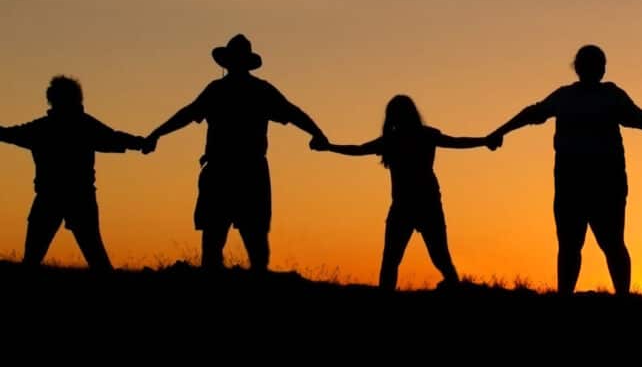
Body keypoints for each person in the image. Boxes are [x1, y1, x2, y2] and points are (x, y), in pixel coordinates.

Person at [488, 45, 642, 296]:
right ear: (586, 68)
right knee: (586, 244)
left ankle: (600, 297)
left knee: (601, 243)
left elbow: (637, 117)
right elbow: (532, 113)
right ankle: (582, 297)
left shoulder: (589, 96)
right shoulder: (575, 97)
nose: (595, 69)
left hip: (598, 182)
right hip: (582, 182)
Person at [143, 34, 328, 271]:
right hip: (246, 172)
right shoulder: (258, 90)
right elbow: (293, 113)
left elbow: (187, 114)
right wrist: (317, 134)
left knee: (221, 239)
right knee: (250, 241)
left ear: (227, 62)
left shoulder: (220, 90)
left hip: (225, 171)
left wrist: (155, 134)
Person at [312, 95, 497, 290]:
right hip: (415, 205)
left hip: (418, 205)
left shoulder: (403, 139)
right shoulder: (409, 138)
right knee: (427, 257)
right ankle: (450, 286)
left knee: (411, 258)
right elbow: (359, 149)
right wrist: (329, 147)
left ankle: (448, 287)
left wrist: (329, 147)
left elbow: (358, 150)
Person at [0, 75, 145, 270]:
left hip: (52, 196)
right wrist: (141, 143)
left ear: (52, 98)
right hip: (77, 196)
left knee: (34, 259)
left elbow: (10, 134)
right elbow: (113, 138)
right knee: (95, 256)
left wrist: (140, 143)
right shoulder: (82, 125)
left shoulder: (44, 127)